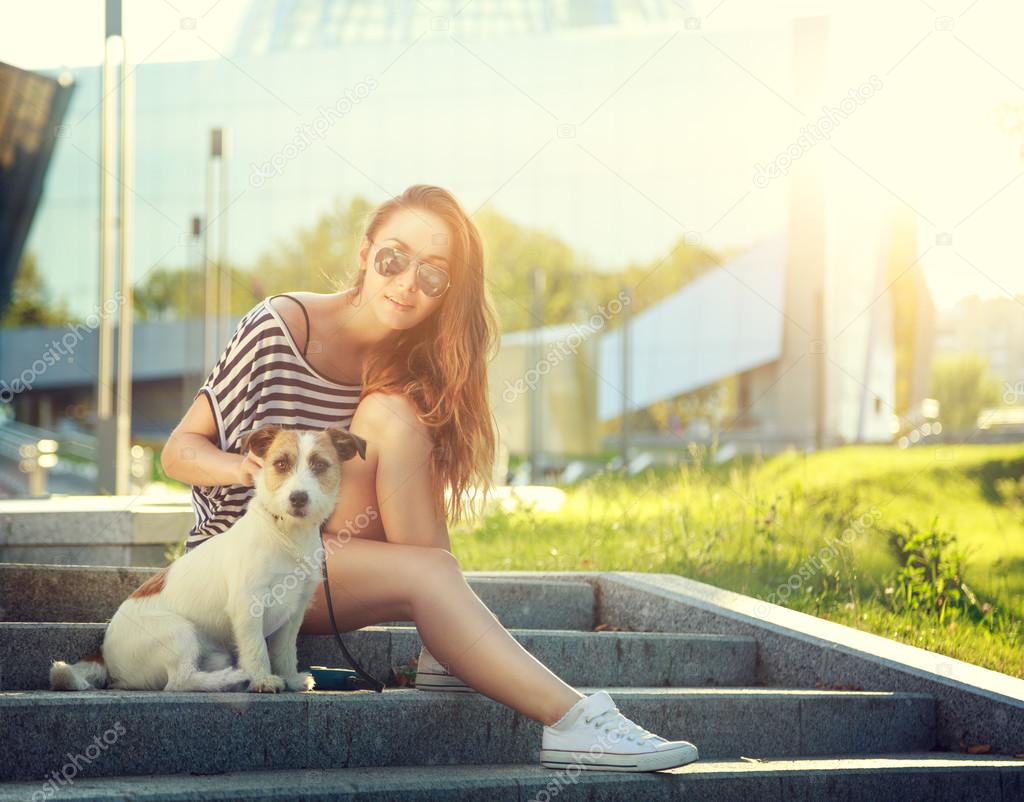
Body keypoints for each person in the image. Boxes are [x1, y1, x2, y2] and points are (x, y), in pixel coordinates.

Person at [161, 184, 699, 772]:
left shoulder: (414, 364)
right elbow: (178, 450)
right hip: (247, 563)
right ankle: (571, 720)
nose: (408, 283)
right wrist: (244, 467)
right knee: (430, 569)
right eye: (394, 258)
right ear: (365, 254)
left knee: (388, 415)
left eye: (434, 275)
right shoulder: (282, 327)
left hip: (329, 554)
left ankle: (447, 645)